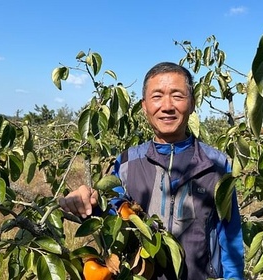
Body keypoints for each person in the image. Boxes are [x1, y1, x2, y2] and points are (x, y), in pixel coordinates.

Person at [59, 62, 244, 279]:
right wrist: (86, 203)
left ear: (192, 104)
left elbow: (229, 235)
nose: (167, 106)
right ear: (144, 106)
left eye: (177, 95)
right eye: (157, 97)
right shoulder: (127, 164)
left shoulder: (216, 164)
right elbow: (114, 214)